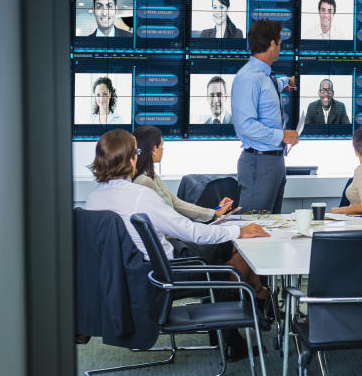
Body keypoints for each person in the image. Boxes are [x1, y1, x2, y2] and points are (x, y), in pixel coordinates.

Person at [84, 129, 271, 304]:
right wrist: (237, 231)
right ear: (131, 160)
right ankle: (235, 321)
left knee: (230, 258)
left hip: (129, 278)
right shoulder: (140, 195)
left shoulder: (93, 200)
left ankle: (249, 307)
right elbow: (190, 232)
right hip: (167, 273)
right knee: (238, 266)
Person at [231, 19, 300, 213]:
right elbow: (246, 125)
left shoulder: (265, 77)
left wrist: (291, 82)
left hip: (274, 161)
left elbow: (275, 86)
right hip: (259, 163)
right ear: (271, 44)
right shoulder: (249, 78)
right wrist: (282, 136)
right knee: (254, 229)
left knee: (271, 230)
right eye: (279, 42)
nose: (280, 47)